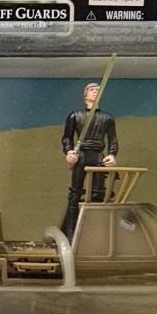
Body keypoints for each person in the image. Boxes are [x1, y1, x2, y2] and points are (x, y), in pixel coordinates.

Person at [61, 82, 118, 238]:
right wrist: (69, 151)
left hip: (98, 156)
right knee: (75, 194)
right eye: (91, 90)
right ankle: (71, 233)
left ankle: (93, 232)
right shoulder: (75, 115)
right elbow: (67, 137)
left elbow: (112, 140)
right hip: (81, 156)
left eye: (98, 90)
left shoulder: (107, 118)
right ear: (85, 95)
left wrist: (112, 154)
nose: (94, 92)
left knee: (98, 194)